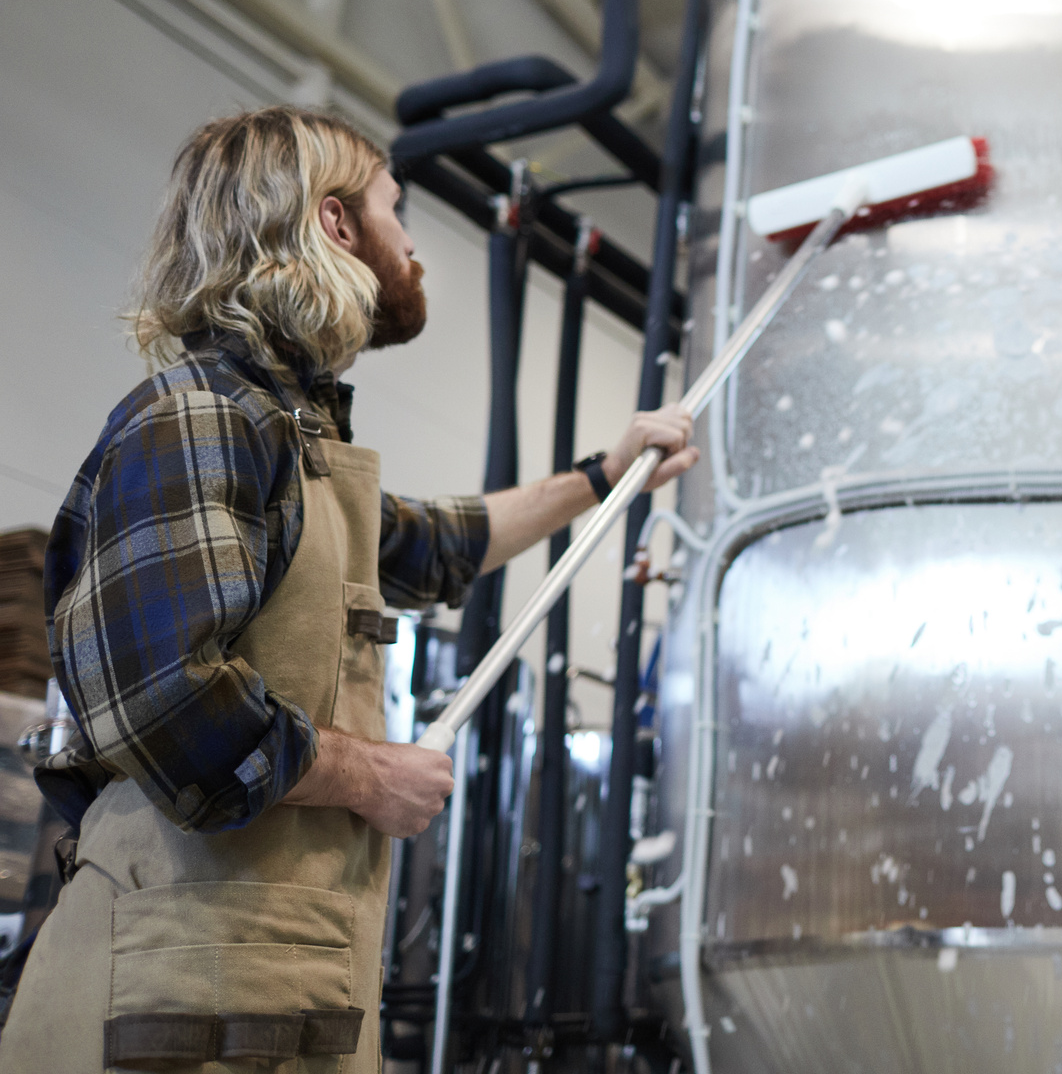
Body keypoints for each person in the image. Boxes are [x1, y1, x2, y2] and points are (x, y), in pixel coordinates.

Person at [0, 107, 698, 1074]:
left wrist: (602, 473)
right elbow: (162, 702)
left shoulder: (294, 444)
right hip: (173, 1013)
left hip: (255, 1004)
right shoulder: (200, 416)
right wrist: (375, 776)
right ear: (334, 226)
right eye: (394, 210)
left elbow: (438, 540)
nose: (410, 243)